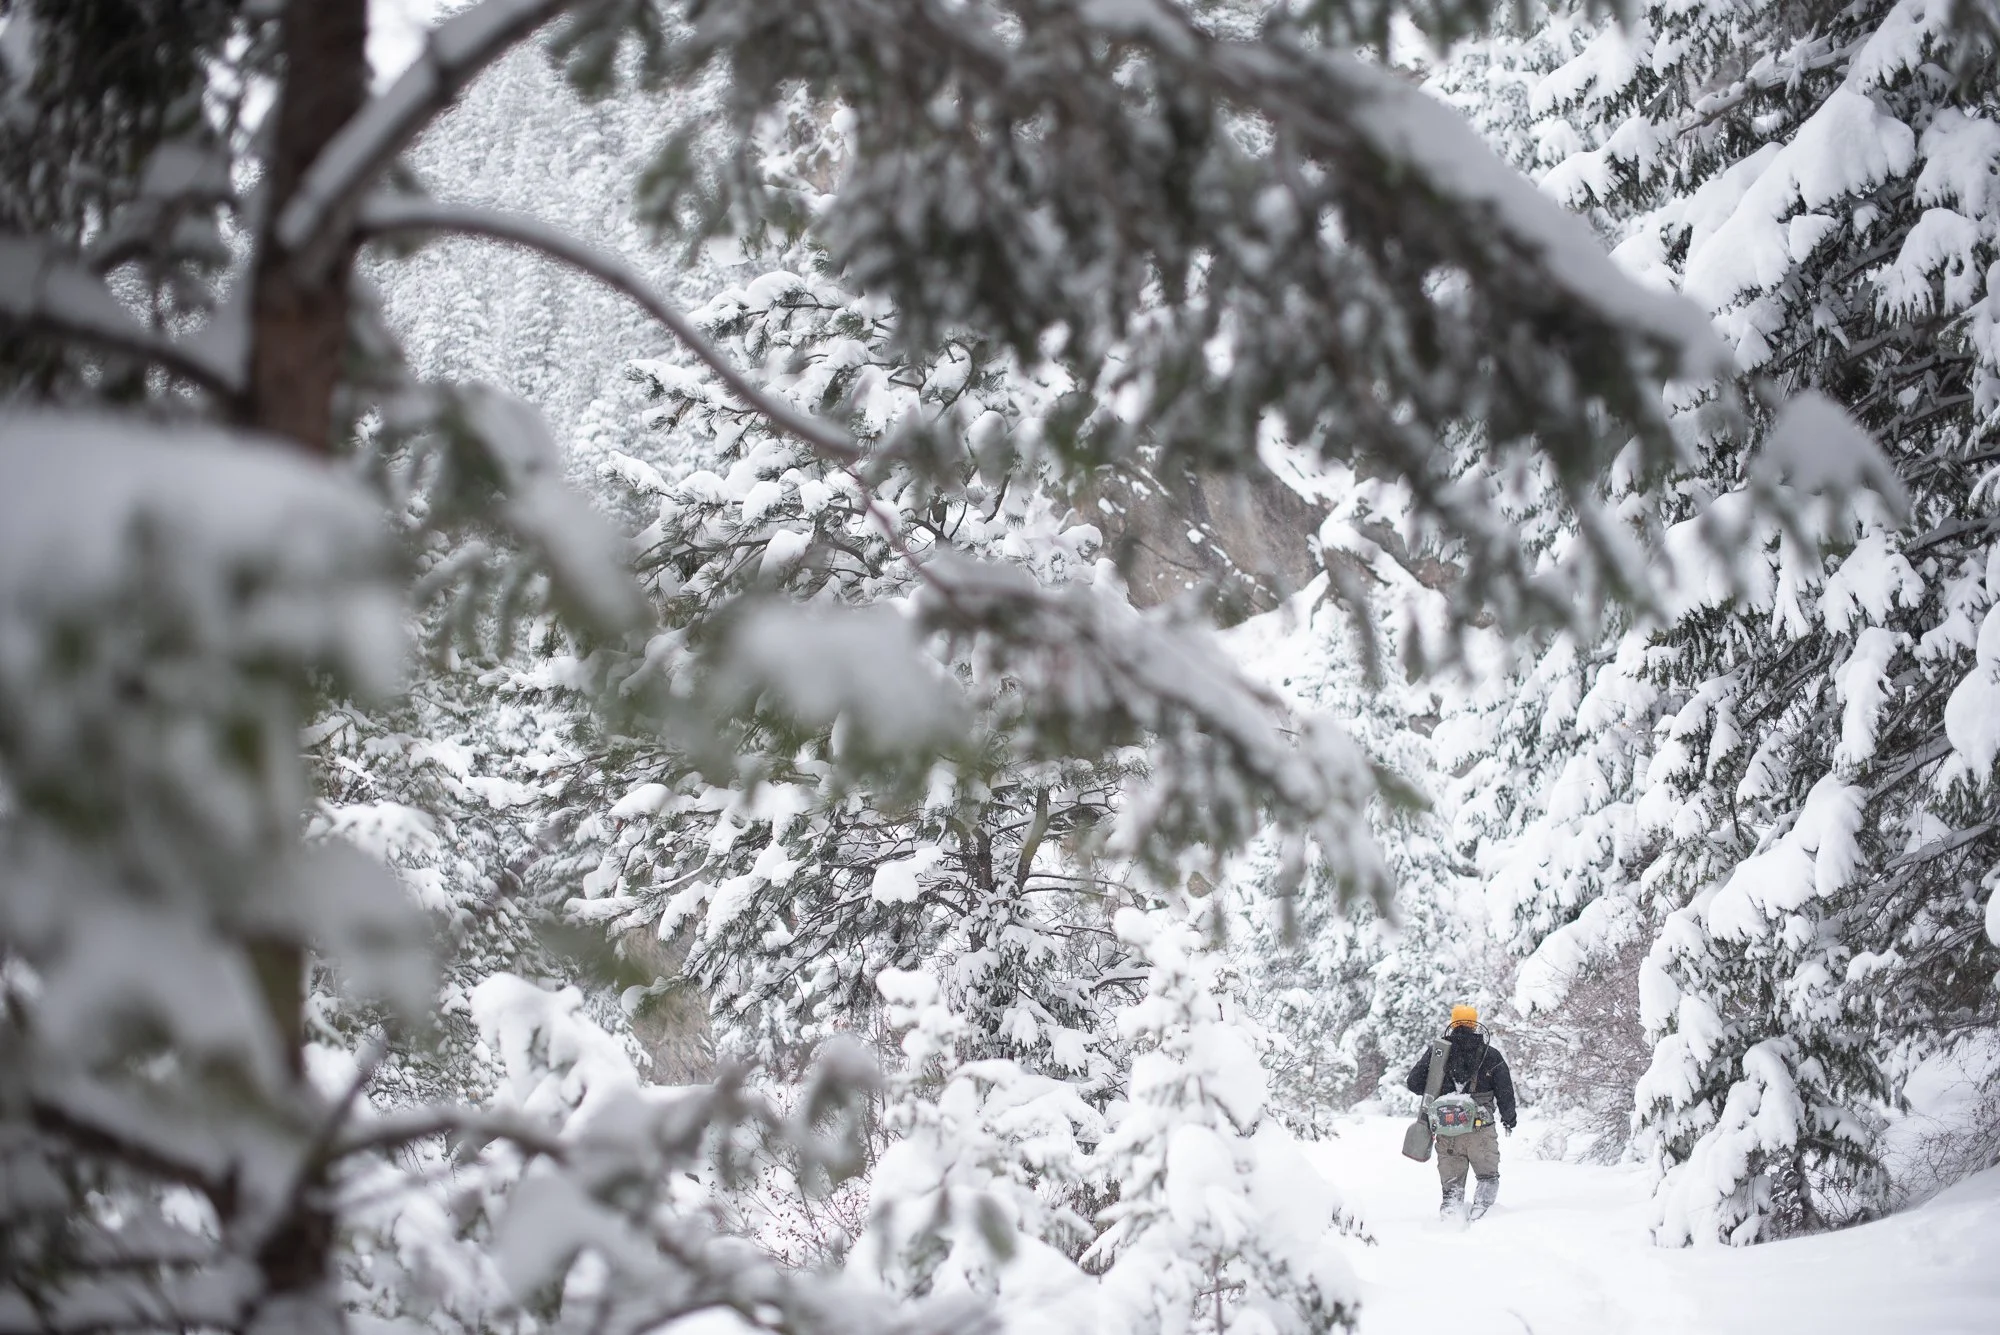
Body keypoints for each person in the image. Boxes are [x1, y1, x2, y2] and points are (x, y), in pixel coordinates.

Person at [1405, 1004, 1517, 1220]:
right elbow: (1505, 1091)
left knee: (1452, 1188)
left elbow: (1413, 1082)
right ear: (1475, 1025)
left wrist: (1438, 1090)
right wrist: (1509, 1119)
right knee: (1487, 1176)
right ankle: (1482, 1215)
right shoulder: (1491, 1055)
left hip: (1448, 1131)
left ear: (1453, 1023)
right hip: (1480, 1131)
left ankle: (1450, 1220)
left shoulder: (1438, 1052)